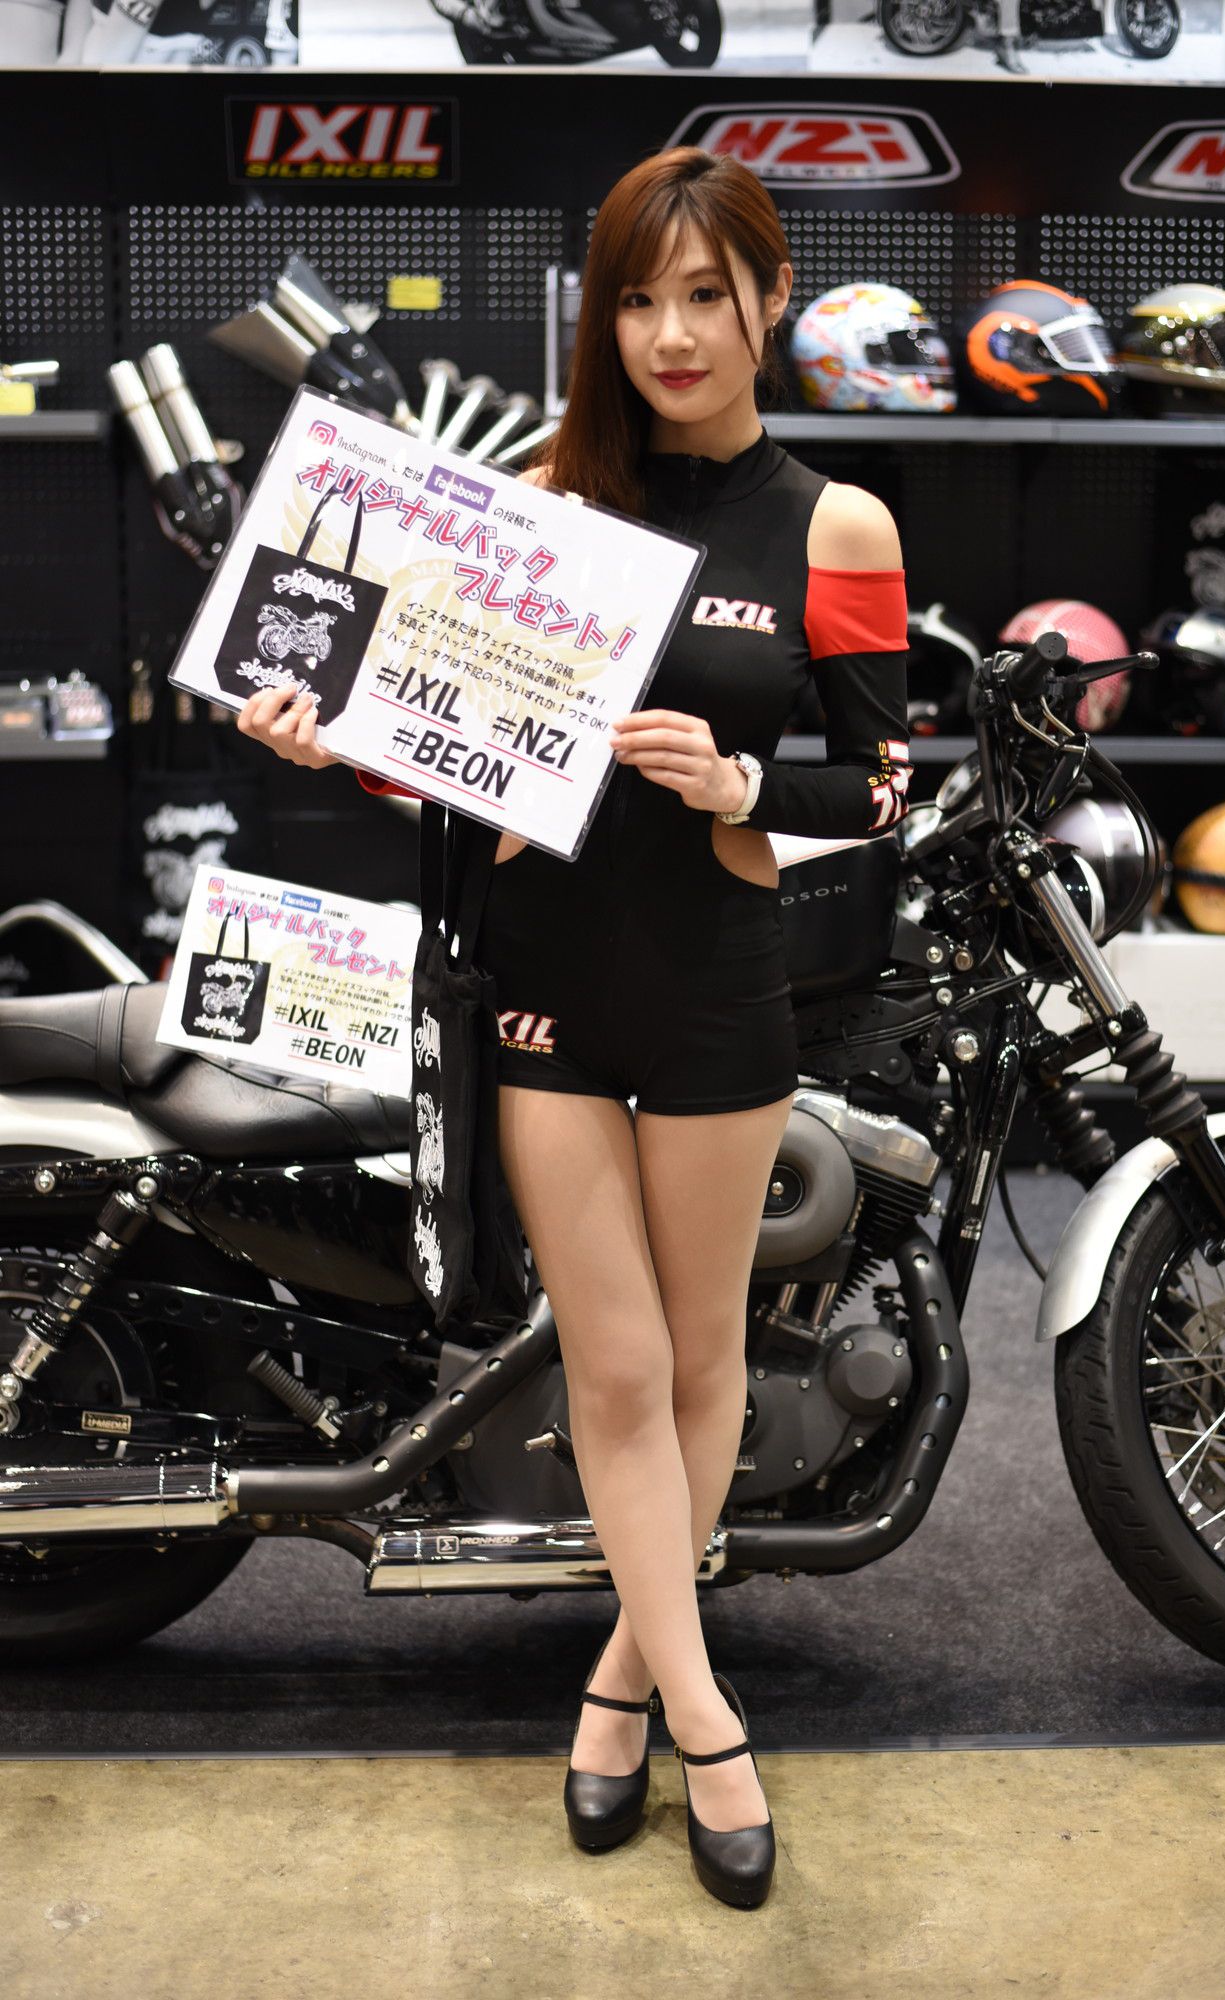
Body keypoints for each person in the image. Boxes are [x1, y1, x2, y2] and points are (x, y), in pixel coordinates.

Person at [236, 144, 912, 1909]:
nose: (672, 334)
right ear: (601, 318)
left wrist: (744, 781)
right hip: (540, 982)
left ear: (770, 298)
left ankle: (619, 1685)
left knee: (699, 1363)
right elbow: (442, 748)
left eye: (706, 296)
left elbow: (882, 790)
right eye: (637, 299)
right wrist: (334, 734)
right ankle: (710, 1720)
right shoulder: (541, 502)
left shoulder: (836, 527)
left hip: (717, 987)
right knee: (610, 1369)